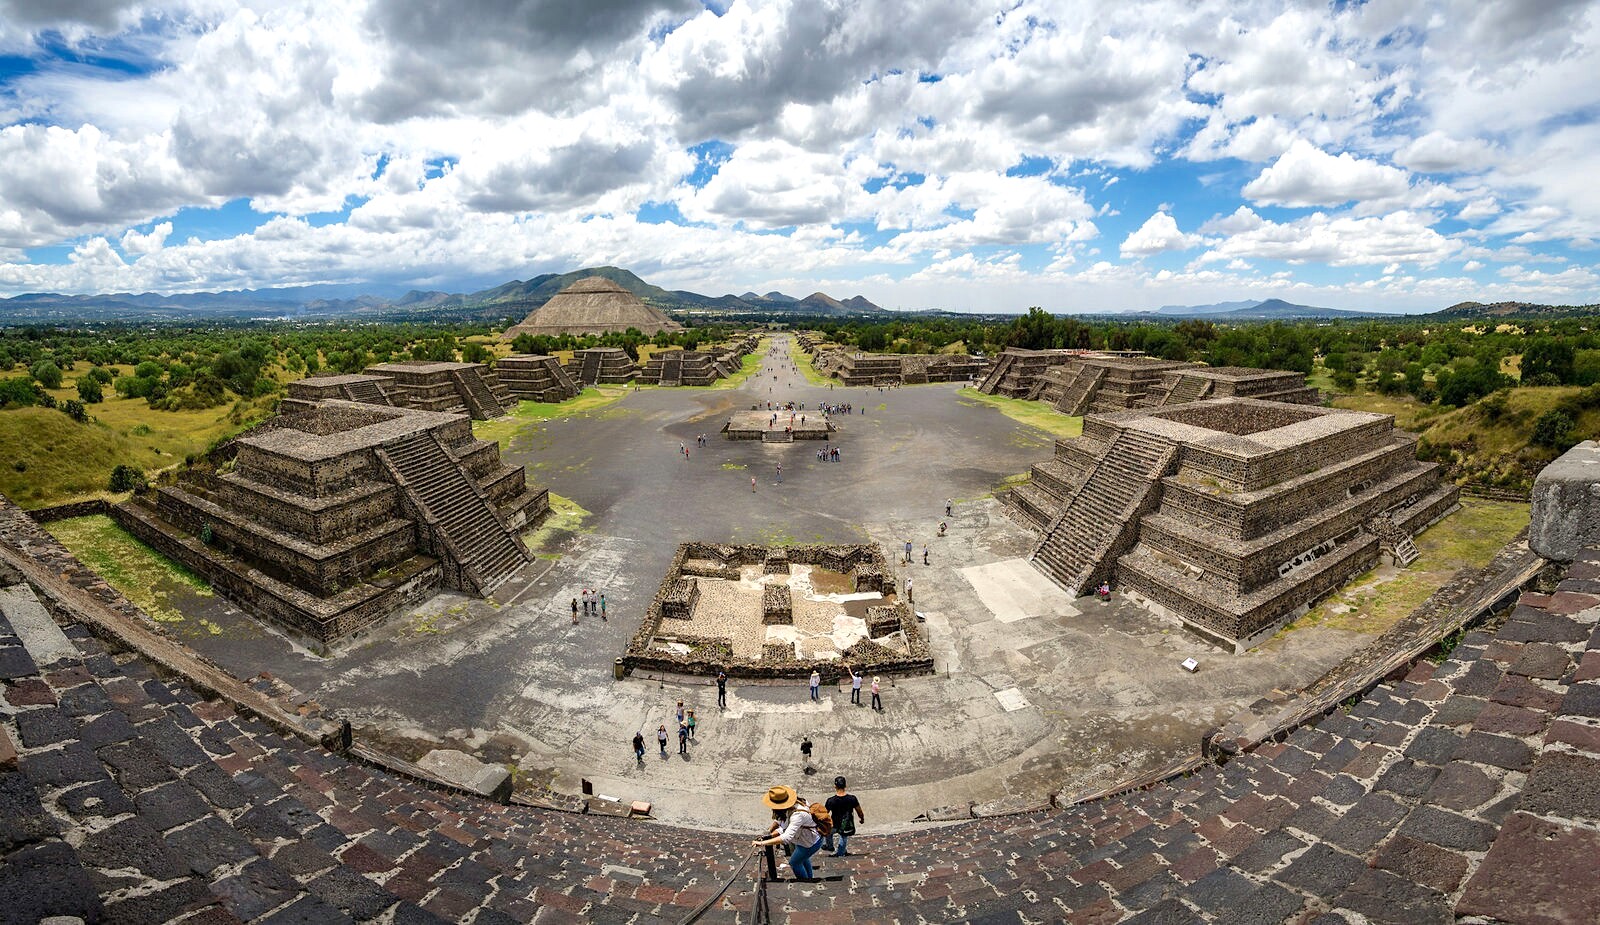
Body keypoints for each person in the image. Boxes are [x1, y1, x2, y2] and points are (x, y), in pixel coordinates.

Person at [753, 786, 822, 882]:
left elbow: (786, 837)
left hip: (810, 843)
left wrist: (763, 843)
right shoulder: (796, 804)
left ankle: (805, 882)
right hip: (806, 840)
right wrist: (770, 835)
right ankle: (809, 878)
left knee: (794, 863)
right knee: (803, 859)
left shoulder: (797, 815)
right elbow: (783, 827)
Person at [824, 777, 864, 857]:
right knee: (843, 837)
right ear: (845, 786)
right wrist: (861, 818)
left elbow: (825, 814)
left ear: (835, 786)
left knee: (828, 832)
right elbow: (859, 811)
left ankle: (830, 846)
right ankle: (841, 852)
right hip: (846, 823)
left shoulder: (831, 800)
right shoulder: (852, 798)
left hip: (834, 824)